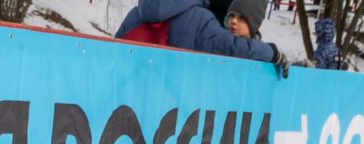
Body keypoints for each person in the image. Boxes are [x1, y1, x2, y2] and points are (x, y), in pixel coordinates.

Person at [116, 0, 289, 73]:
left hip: (123, 109)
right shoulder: (198, 20)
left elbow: (112, 54)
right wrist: (272, 53)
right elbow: (233, 48)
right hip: (167, 117)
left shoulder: (136, 14)